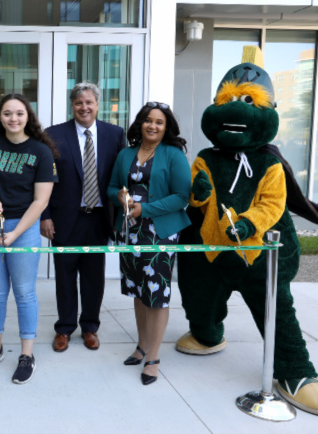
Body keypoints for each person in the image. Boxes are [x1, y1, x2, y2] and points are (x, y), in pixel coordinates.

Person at [0, 94, 57, 384]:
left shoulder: (41, 151)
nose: (14, 119)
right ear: (0, 117)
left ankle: (27, 354)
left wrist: (16, 233)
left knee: (24, 291)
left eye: (19, 113)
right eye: (7, 113)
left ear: (28, 116)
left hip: (25, 227)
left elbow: (40, 201)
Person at [107, 102, 191, 385]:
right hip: (130, 231)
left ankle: (153, 356)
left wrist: (145, 210)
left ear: (166, 128)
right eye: (147, 120)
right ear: (139, 124)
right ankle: (142, 345)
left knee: (156, 294)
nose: (152, 126)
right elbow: (110, 187)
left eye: (159, 122)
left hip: (161, 233)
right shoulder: (125, 154)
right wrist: (120, 197)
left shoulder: (173, 155)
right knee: (139, 291)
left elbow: (182, 197)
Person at [41, 82, 126, 353]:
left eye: (89, 102)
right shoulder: (53, 135)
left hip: (99, 218)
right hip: (65, 218)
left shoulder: (114, 134)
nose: (84, 107)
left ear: (97, 105)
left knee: (93, 276)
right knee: (65, 275)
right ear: (72, 105)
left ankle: (90, 327)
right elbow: (42, 179)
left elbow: (120, 175)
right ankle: (65, 328)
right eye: (79, 103)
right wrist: (45, 216)